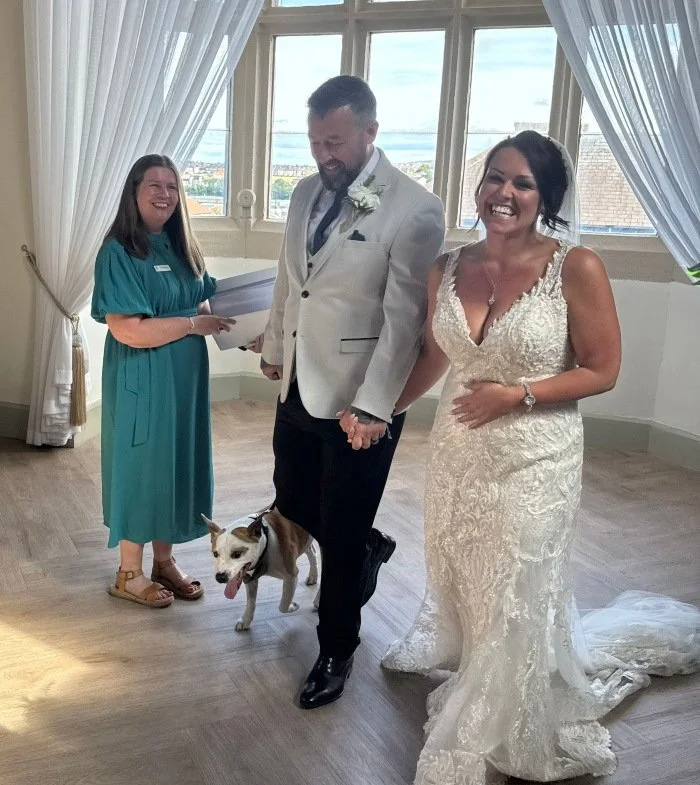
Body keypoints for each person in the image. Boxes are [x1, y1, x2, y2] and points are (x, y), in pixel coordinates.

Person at [361, 131, 700, 784]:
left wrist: (516, 395)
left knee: (519, 586)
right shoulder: (447, 266)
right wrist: (381, 409)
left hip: (537, 459)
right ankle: (489, 665)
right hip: (460, 456)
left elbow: (603, 369)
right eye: (494, 177)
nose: (503, 193)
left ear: (546, 197)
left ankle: (495, 715)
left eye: (521, 183)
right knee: (474, 579)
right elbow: (436, 356)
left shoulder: (577, 267)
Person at [259, 75, 445, 709]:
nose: (323, 155)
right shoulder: (305, 191)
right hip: (296, 386)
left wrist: (374, 407)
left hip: (360, 402)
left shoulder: (414, 207)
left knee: (341, 527)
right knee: (291, 498)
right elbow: (294, 283)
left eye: (335, 141)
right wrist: (274, 345)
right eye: (314, 142)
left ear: (370, 132)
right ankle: (366, 547)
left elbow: (404, 322)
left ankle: (337, 647)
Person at [92, 154, 235, 608]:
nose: (164, 194)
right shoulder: (118, 251)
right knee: (141, 467)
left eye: (172, 186)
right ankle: (128, 573)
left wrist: (246, 334)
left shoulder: (182, 247)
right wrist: (193, 326)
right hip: (143, 377)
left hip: (185, 380)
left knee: (176, 462)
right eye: (153, 184)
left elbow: (203, 302)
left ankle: (164, 560)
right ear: (134, 192)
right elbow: (127, 329)